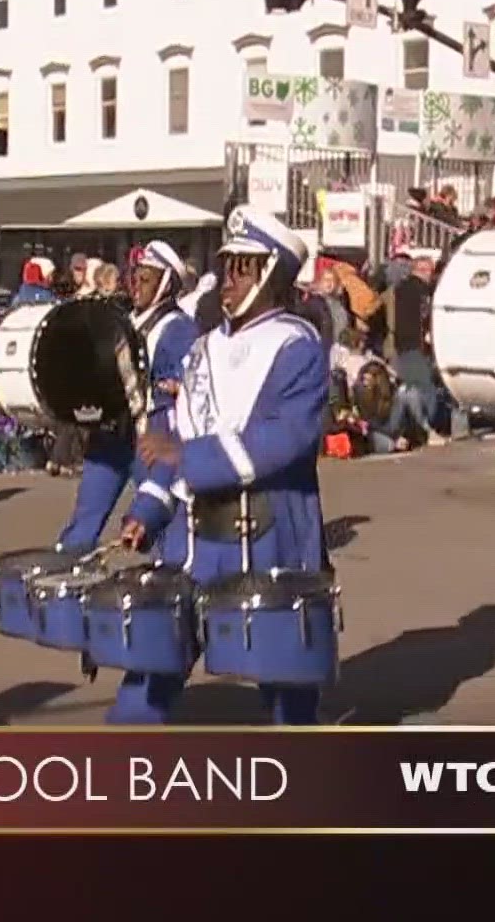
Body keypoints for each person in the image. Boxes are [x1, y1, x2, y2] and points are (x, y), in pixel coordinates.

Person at [119, 207, 331, 725]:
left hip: (269, 530)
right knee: (151, 668)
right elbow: (179, 436)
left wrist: (185, 455)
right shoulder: (201, 349)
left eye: (242, 267)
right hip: (194, 539)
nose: (227, 280)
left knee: (287, 684)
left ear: (271, 275)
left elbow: (285, 439)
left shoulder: (298, 345)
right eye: (226, 265)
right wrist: (147, 509)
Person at [67, 241, 198, 555]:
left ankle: (166, 588)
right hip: (111, 435)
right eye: (135, 277)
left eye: (146, 279)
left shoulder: (178, 329)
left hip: (150, 436)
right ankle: (66, 581)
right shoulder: (122, 319)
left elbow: (187, 388)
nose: (136, 285)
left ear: (166, 285)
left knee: (159, 523)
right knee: (83, 522)